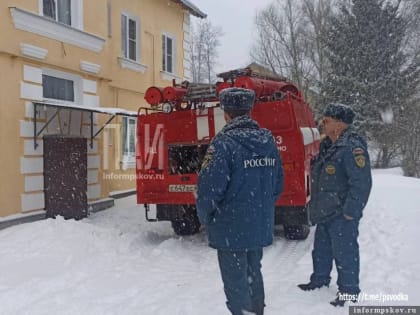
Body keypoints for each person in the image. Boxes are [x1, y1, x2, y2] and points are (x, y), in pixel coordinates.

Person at [196, 88, 284, 315]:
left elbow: (208, 192)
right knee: (254, 273)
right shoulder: (267, 141)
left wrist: (206, 217)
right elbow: (277, 185)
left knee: (236, 282)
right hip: (258, 224)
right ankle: (257, 311)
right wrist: (259, 209)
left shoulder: (222, 144)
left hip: (230, 228)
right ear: (249, 110)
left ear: (226, 113)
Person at [298, 103, 372, 307]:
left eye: (327, 120)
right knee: (321, 250)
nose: (323, 122)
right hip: (325, 210)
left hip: (342, 213)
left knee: (345, 253)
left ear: (339, 124)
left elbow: (361, 183)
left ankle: (348, 291)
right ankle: (319, 280)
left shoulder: (352, 147)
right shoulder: (327, 145)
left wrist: (350, 212)